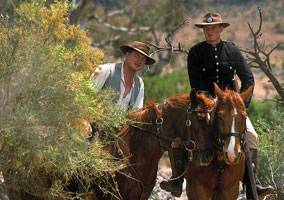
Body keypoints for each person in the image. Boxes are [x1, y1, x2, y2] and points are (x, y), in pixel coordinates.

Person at [160, 12, 274, 197]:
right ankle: (177, 179)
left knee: (252, 137)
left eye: (214, 27)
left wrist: (239, 104)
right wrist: (210, 104)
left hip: (231, 107)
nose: (210, 31)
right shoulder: (195, 52)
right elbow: (196, 83)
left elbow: (248, 79)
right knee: (181, 134)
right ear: (203, 30)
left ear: (221, 28)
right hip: (204, 105)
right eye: (207, 28)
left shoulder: (233, 50)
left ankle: (253, 185)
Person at [91, 41, 155, 110]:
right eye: (136, 56)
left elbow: (136, 111)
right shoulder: (104, 70)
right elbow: (87, 95)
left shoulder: (139, 83)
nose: (139, 61)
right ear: (127, 54)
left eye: (143, 59)